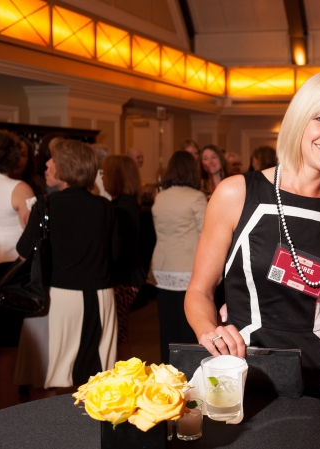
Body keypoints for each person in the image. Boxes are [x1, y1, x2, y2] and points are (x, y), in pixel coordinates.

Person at [185, 72, 320, 406]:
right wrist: (209, 331)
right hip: (244, 373)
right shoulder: (236, 192)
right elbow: (199, 290)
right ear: (300, 118)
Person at [15, 139, 118, 398]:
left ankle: (51, 433)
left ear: (68, 166)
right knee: (94, 375)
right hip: (100, 297)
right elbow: (115, 255)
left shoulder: (45, 206)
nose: (46, 164)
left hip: (57, 297)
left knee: (50, 373)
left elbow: (23, 251)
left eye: (53, 160)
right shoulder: (105, 207)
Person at [0, 130, 35, 413]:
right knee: (8, 350)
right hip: (8, 275)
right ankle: (8, 415)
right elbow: (35, 238)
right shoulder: (18, 188)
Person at [150, 151, 207, 364]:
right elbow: (206, 236)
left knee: (167, 329)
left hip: (162, 269)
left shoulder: (160, 197)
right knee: (190, 329)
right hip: (188, 268)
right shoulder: (196, 197)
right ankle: (190, 374)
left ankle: (167, 372)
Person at [102, 155, 146, 361]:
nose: (101, 178)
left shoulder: (118, 208)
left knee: (119, 336)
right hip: (132, 277)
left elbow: (117, 251)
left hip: (123, 279)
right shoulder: (130, 204)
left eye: (104, 174)